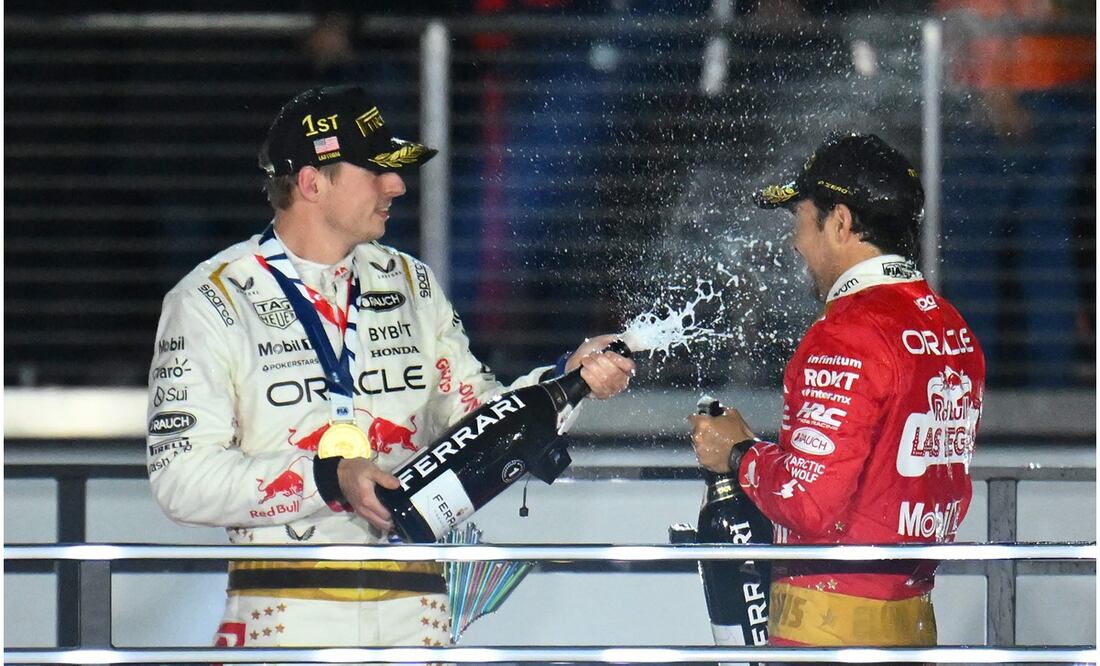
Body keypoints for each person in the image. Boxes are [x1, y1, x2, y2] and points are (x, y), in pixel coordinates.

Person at [145, 84, 635, 650]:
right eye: (376, 171)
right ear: (311, 182)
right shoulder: (213, 300)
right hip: (285, 615)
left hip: (416, 608)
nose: (397, 185)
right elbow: (179, 481)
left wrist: (565, 383)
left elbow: (472, 417)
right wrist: (331, 478)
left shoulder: (410, 281)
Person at [689, 133, 985, 656]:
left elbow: (807, 501)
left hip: (830, 626)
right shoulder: (949, 326)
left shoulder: (847, 332)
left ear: (841, 222)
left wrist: (737, 453)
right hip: (913, 619)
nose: (795, 242)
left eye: (801, 219)